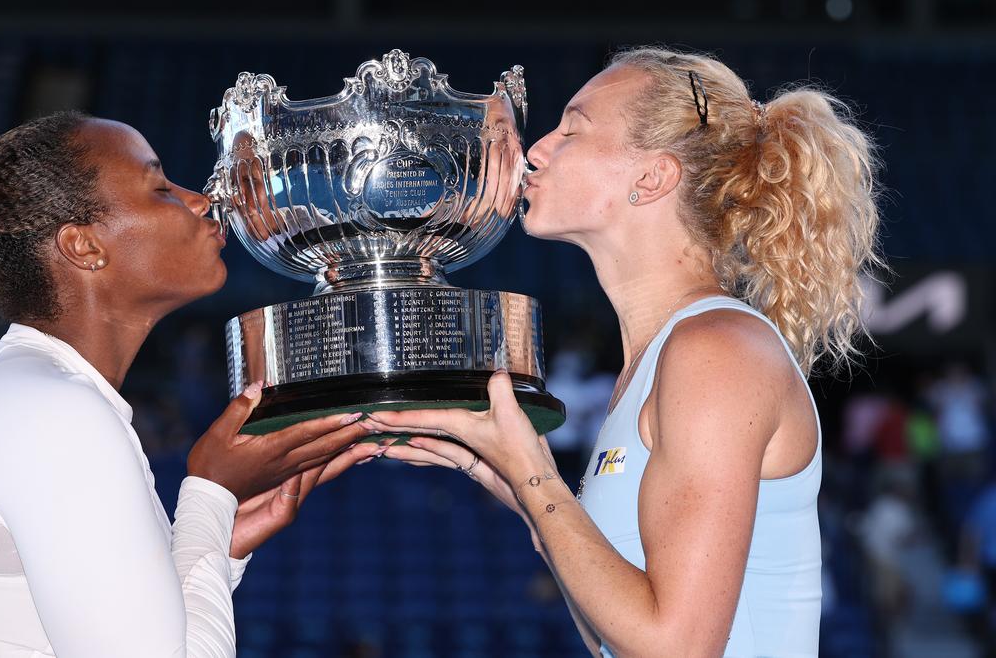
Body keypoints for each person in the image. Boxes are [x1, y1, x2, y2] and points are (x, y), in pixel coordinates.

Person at [368, 48, 882, 656]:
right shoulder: (664, 357)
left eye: (573, 129)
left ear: (652, 178)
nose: (536, 150)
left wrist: (536, 480)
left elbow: (678, 648)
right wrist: (503, 469)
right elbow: (612, 637)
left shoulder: (716, 350)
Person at [0, 111, 385, 657]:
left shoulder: (29, 392)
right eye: (160, 188)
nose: (201, 200)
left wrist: (215, 542)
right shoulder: (52, 412)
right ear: (84, 246)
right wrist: (210, 492)